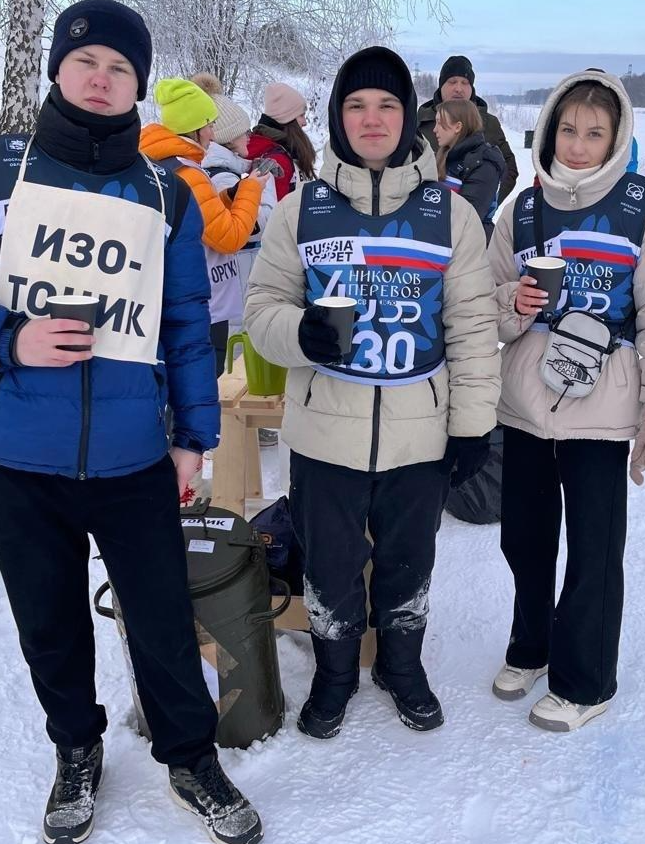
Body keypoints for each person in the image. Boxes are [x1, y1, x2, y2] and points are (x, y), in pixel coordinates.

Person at [0, 3, 264, 842]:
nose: (101, 79)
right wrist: (9, 336)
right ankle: (75, 748)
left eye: (120, 69)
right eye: (86, 61)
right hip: (14, 450)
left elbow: (184, 320)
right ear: (59, 70)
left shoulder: (163, 193)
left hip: (134, 453)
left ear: (139, 85)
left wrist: (192, 437)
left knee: (162, 617)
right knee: (49, 618)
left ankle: (190, 757)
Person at [244, 46, 501, 740]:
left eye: (386, 103)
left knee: (407, 560)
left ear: (408, 118)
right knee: (328, 565)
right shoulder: (303, 210)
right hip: (326, 431)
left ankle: (400, 664)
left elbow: (474, 328)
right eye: (356, 104)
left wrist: (473, 425)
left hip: (420, 429)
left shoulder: (448, 216)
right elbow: (260, 308)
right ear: (336, 118)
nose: (372, 117)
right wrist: (298, 331)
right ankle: (333, 674)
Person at [489, 68, 645, 731]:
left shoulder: (642, 205)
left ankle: (585, 681)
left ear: (615, 138)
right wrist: (512, 307)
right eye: (568, 130)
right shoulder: (521, 208)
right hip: (523, 399)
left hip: (603, 406)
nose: (577, 145)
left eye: (594, 133)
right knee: (524, 537)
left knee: (593, 548)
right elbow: (480, 306)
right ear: (549, 130)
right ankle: (530, 644)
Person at [139, 76, 272, 376]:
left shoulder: (159, 166)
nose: (213, 133)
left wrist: (232, 196)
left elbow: (199, 219)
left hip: (168, 302)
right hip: (204, 308)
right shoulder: (189, 173)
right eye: (209, 124)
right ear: (195, 128)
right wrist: (251, 190)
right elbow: (228, 238)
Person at [195, 72, 279, 337]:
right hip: (230, 294)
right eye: (244, 131)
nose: (249, 137)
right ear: (227, 136)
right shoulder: (219, 177)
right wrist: (263, 186)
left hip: (228, 292)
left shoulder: (217, 171)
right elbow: (254, 228)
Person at [417, 55, 519, 204]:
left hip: (474, 219)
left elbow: (509, 168)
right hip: (425, 215)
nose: (458, 88)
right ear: (441, 86)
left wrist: (489, 200)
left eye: (465, 83)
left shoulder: (489, 123)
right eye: (452, 82)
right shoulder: (420, 122)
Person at [433, 98, 506, 243]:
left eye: (440, 123)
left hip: (472, 249)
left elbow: (468, 217)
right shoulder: (444, 156)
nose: (435, 129)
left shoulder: (485, 163)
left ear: (458, 127)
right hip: (442, 242)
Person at [248, 81, 317, 200]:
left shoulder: (287, 148)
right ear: (287, 118)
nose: (305, 122)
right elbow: (276, 212)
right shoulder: (279, 160)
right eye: (301, 115)